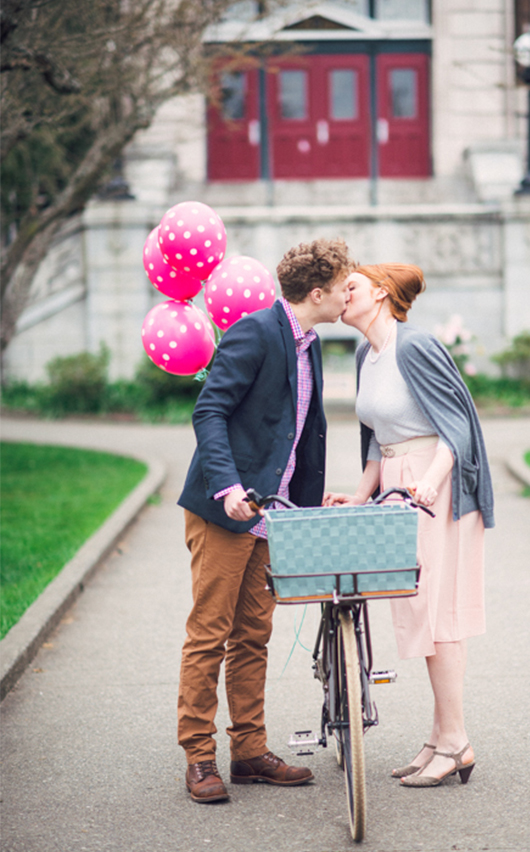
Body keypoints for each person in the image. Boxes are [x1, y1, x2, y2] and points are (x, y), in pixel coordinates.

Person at [177, 238, 354, 803]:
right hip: (225, 510)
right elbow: (210, 410)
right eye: (345, 285)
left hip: (274, 518)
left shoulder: (311, 343)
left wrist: (308, 501)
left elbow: (295, 432)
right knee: (209, 633)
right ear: (318, 292)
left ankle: (249, 751)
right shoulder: (255, 331)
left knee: (253, 635)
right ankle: (199, 757)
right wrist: (228, 486)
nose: (352, 293)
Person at [324, 263, 494, 788]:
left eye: (350, 285)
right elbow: (378, 437)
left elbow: (457, 425)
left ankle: (457, 741)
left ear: (379, 292)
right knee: (423, 611)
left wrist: (430, 483)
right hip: (398, 479)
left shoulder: (414, 346)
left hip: (434, 485)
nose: (340, 293)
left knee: (438, 613)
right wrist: (359, 495)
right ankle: (439, 737)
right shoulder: (364, 354)